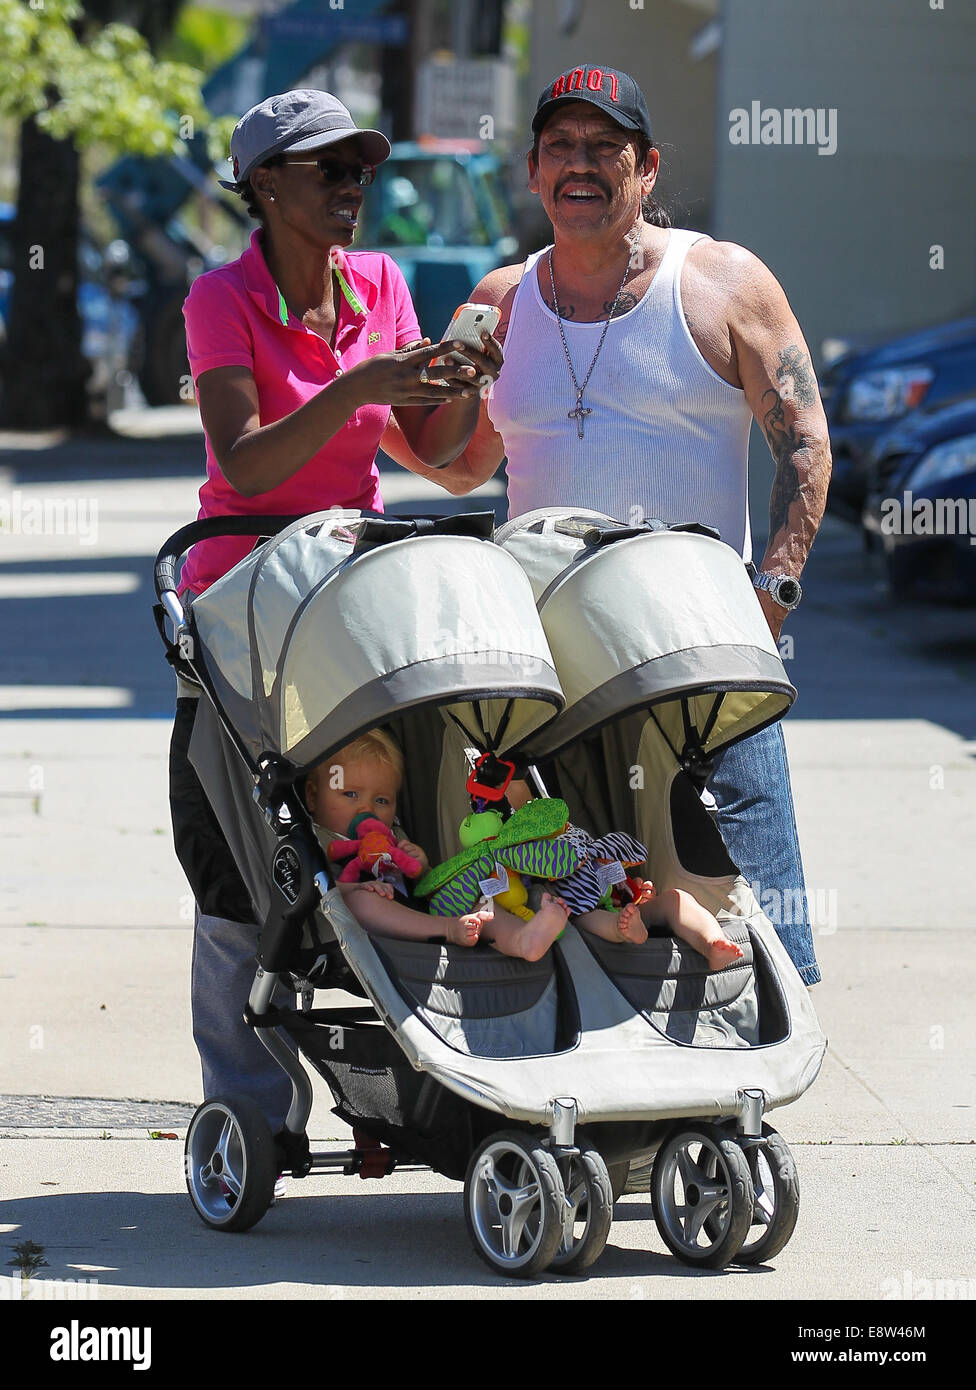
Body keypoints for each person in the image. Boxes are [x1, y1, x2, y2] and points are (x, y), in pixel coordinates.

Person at [400, 65, 831, 988]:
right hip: (544, 667)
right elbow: (467, 460)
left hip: (700, 653)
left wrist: (772, 604)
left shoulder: (722, 282)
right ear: (531, 171)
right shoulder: (500, 300)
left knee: (751, 922)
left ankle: (758, 1080)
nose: (581, 166)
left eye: (606, 148)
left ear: (647, 168)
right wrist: (361, 409)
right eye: (562, 147)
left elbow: (805, 444)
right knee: (577, 910)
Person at [170, 89, 501, 1134]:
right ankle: (252, 1104)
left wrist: (467, 382)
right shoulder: (220, 298)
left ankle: (450, 1075)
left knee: (396, 823)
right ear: (266, 185)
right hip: (244, 595)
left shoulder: (381, 282)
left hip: (352, 583)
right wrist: (362, 379)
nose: (356, 190)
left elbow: (439, 451)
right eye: (332, 172)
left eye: (362, 171)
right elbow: (247, 457)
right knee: (240, 848)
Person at [305, 730, 571, 960]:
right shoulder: (316, 839)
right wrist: (355, 887)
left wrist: (422, 869)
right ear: (313, 797)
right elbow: (309, 888)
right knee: (358, 901)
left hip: (420, 911)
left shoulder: (394, 838)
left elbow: (426, 888)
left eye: (382, 800)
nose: (367, 808)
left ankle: (521, 940)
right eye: (350, 794)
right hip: (361, 928)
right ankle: (448, 929)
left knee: (475, 899)